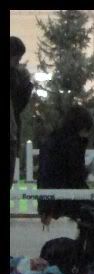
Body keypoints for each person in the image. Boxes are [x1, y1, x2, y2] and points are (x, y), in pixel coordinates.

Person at [37, 106, 94, 273]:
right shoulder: (72, 143)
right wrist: (88, 170)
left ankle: (85, 254)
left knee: (89, 215)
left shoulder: (53, 138)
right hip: (65, 196)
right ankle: (90, 257)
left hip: (48, 197)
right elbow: (75, 175)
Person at [10, 36, 33, 186]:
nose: (18, 62)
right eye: (17, 59)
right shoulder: (15, 77)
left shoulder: (17, 76)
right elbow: (18, 105)